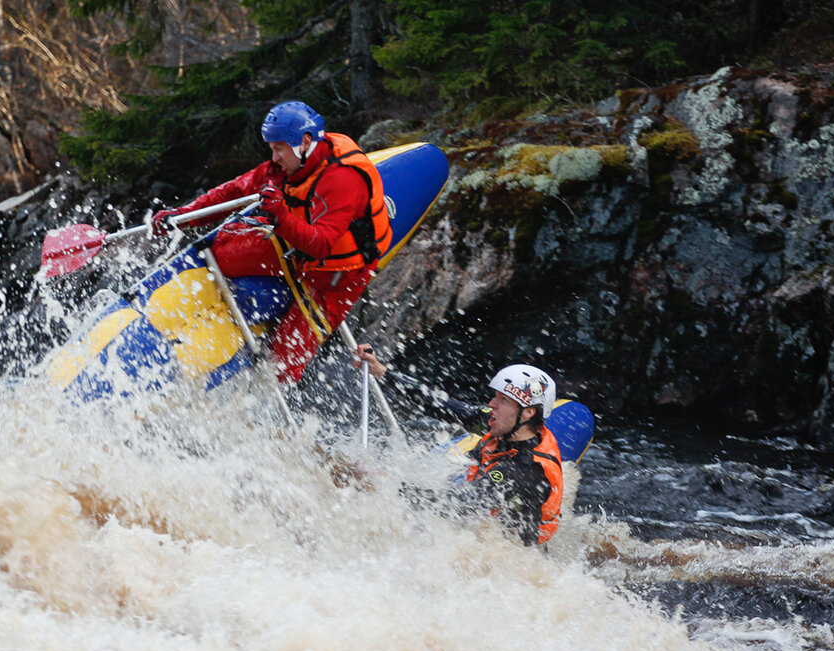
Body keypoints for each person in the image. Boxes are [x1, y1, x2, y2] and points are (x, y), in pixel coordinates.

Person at [150, 101, 391, 383]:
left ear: (305, 142)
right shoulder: (290, 163)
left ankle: (279, 329)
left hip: (336, 276)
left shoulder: (342, 179)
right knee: (223, 252)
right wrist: (182, 216)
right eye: (272, 148)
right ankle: (281, 286)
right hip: (296, 249)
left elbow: (321, 245)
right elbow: (237, 190)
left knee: (281, 368)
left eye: (279, 148)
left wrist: (279, 215)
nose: (274, 157)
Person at [352, 344, 564, 547]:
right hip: (485, 504)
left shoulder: (525, 470)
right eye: (495, 396)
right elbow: (438, 404)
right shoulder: (507, 426)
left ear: (528, 413)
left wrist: (384, 482)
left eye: (503, 400)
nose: (491, 404)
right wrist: (380, 371)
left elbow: (455, 505)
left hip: (511, 549)